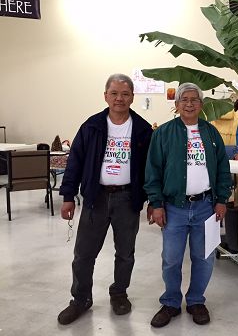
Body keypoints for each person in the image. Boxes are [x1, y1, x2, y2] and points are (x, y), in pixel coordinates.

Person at [57, 74, 153, 325]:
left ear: (132, 96)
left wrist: (153, 200)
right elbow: (75, 161)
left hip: (127, 199)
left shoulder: (142, 129)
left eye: (125, 94)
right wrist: (68, 196)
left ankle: (119, 293)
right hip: (95, 198)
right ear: (105, 96)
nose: (120, 98)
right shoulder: (92, 126)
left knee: (125, 253)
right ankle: (80, 299)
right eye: (114, 93)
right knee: (84, 254)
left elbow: (151, 169)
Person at [145, 82, 232, 327]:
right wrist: (156, 203)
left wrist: (222, 200)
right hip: (174, 207)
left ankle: (196, 301)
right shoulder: (163, 133)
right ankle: (171, 302)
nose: (190, 103)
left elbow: (223, 169)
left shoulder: (211, 132)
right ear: (177, 105)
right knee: (171, 258)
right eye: (185, 99)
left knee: (203, 258)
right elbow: (153, 171)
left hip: (206, 206)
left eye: (194, 99)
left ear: (201, 105)